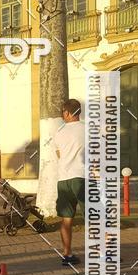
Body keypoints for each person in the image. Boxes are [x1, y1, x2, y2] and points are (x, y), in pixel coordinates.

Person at [53, 98, 85, 266]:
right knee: (95, 217)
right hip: (82, 177)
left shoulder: (59, 132)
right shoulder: (88, 129)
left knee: (66, 219)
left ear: (67, 112)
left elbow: (59, 155)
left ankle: (67, 254)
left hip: (63, 179)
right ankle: (104, 253)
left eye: (62, 113)